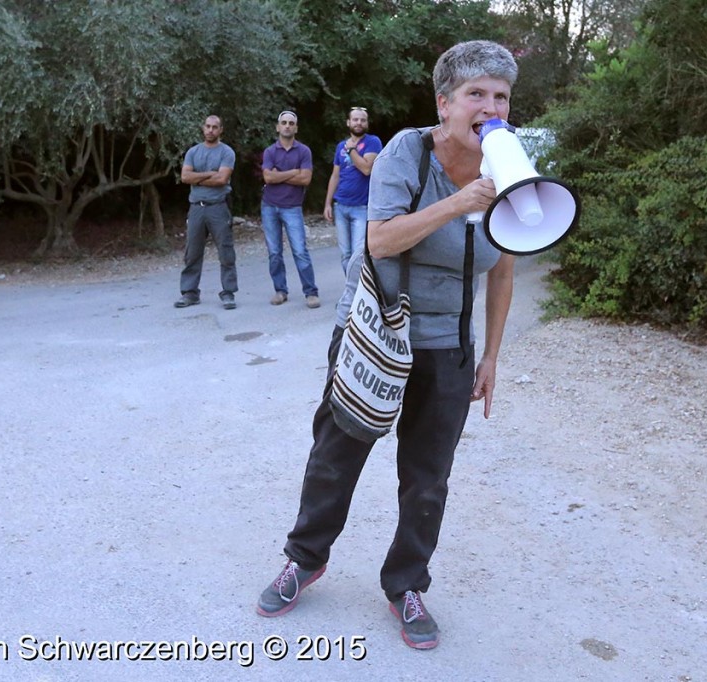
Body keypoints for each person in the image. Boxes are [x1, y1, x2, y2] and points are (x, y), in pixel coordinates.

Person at [255, 41, 518, 650]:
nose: (490, 106)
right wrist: (461, 201)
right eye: (476, 93)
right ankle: (305, 559)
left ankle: (406, 585)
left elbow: (503, 267)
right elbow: (379, 239)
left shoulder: (508, 163)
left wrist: (491, 356)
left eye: (501, 96)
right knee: (336, 455)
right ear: (444, 103)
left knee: (428, 477)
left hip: (447, 344)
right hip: (375, 330)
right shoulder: (406, 150)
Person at [175, 115, 238, 309]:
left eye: (215, 127)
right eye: (208, 126)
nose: (210, 130)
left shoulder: (227, 152)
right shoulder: (193, 152)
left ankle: (228, 293)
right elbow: (185, 176)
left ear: (221, 130)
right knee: (192, 252)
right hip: (196, 208)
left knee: (225, 252)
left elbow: (222, 180)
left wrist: (198, 178)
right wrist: (210, 173)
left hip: (218, 207)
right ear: (203, 128)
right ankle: (190, 293)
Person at [261, 111, 320, 309]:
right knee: (274, 252)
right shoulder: (270, 151)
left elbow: (305, 179)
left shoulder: (304, 151)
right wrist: (294, 172)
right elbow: (268, 178)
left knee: (300, 251)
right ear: (278, 127)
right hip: (269, 206)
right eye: (284, 123)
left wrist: (281, 175)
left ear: (296, 128)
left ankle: (311, 292)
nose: (287, 126)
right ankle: (280, 291)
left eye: (291, 123)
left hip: (292, 207)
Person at [323, 107, 383, 274]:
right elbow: (335, 176)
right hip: (340, 205)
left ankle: (359, 296)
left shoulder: (373, 142)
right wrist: (328, 203)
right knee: (345, 255)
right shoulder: (340, 146)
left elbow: (366, 169)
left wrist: (351, 150)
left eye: (362, 120)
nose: (359, 123)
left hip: (361, 208)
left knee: (358, 255)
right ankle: (352, 293)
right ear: (348, 123)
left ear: (367, 124)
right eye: (355, 120)